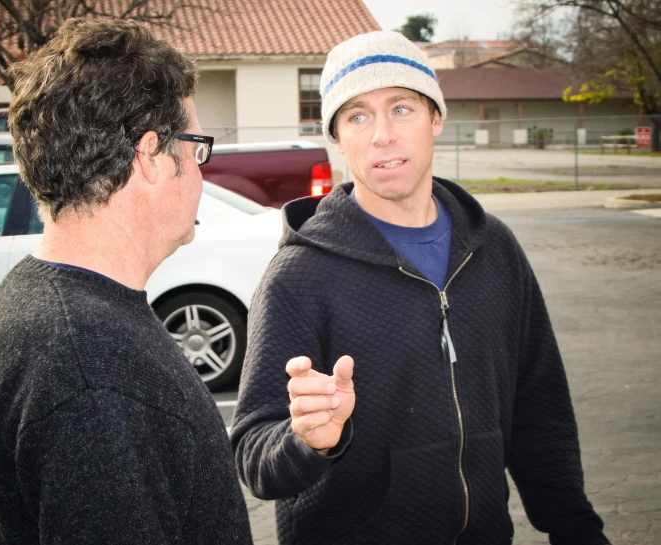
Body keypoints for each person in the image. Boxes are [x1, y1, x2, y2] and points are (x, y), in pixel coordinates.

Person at [230, 30, 610, 545]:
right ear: (337, 138)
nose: (382, 134)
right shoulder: (298, 275)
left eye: (402, 108)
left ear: (436, 119)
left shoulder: (494, 248)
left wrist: (576, 528)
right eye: (358, 115)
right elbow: (254, 455)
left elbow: (541, 411)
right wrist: (306, 441)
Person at [0, 18, 252, 545]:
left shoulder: (42, 298)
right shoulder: (96, 370)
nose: (202, 169)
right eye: (196, 147)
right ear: (149, 156)